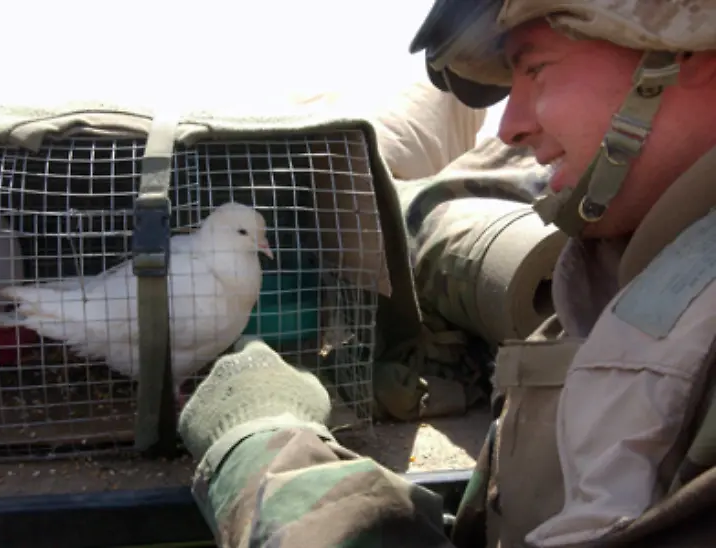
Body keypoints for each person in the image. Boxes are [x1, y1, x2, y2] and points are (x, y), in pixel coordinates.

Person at [177, 1, 716, 546]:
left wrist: (268, 455)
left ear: (691, 52)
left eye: (537, 69)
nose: (509, 128)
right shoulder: (611, 280)